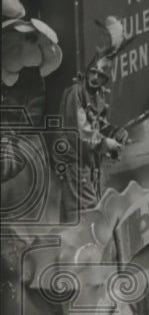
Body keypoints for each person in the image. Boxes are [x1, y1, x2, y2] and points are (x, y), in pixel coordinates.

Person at [55, 55, 129, 222]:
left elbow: (98, 127)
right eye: (94, 72)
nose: (96, 78)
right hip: (74, 163)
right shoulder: (75, 93)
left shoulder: (96, 96)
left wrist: (116, 132)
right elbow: (80, 132)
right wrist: (104, 142)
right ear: (87, 71)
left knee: (78, 217)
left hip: (87, 166)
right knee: (88, 216)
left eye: (102, 76)